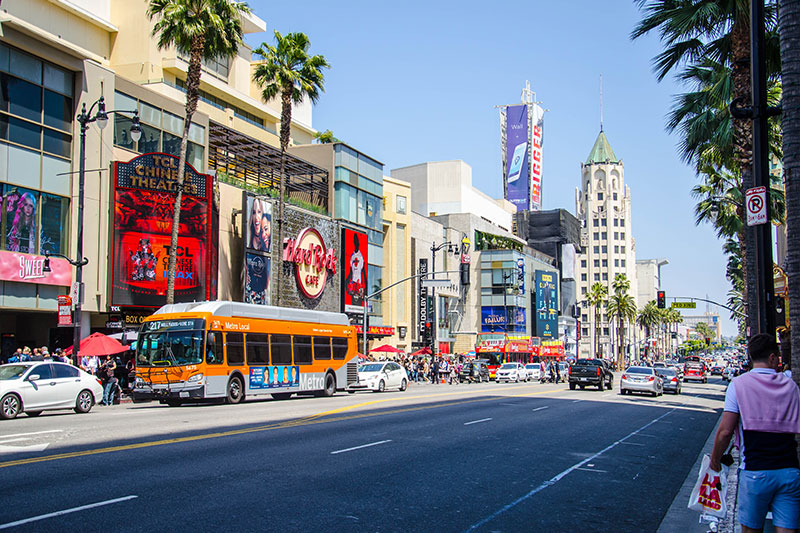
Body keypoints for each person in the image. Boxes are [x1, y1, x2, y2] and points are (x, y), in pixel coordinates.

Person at [709, 334, 800, 533]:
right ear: (773, 358)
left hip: (755, 471)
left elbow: (725, 432)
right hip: (789, 469)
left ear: (750, 357)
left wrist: (715, 459)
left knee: (751, 530)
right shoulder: (792, 387)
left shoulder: (738, 385)